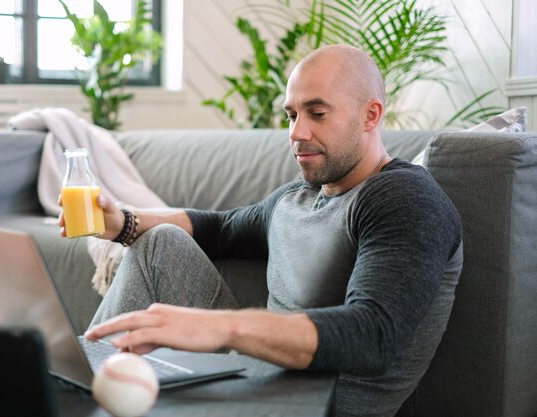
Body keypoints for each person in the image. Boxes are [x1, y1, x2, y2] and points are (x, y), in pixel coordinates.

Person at [59, 44, 463, 417]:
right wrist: (123, 222)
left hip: (315, 404)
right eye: (292, 115)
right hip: (253, 376)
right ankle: (75, 387)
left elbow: (373, 335)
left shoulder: (405, 198)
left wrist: (219, 326)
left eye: (317, 113)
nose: (296, 133)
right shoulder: (295, 198)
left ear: (370, 115)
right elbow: (219, 228)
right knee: (159, 242)